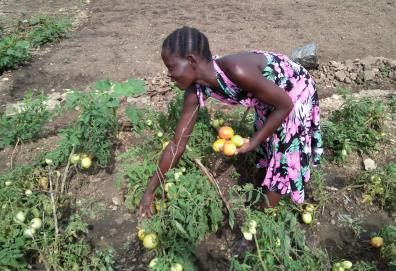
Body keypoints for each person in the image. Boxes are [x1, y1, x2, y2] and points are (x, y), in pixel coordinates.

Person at [138, 26, 323, 254]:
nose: (167, 74)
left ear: (191, 60)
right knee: (268, 149)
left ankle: (256, 235)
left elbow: (285, 105)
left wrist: (253, 141)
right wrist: (150, 190)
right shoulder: (194, 91)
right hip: (270, 98)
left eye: (170, 67)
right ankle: (261, 197)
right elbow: (177, 144)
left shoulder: (237, 70)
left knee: (282, 161)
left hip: (293, 92)